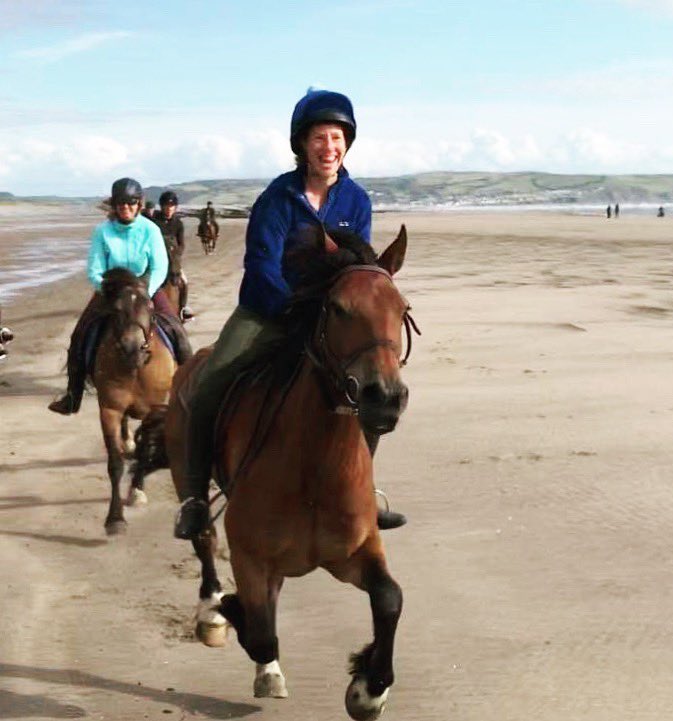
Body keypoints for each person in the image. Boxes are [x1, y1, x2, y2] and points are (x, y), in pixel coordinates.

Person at [174, 88, 407, 539]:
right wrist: (289, 309)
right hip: (267, 310)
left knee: (370, 385)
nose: (329, 147)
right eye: (319, 137)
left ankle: (364, 490)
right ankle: (195, 498)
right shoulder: (276, 198)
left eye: (337, 137)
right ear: (301, 144)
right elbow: (261, 265)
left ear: (347, 143)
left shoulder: (356, 200)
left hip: (329, 315)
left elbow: (356, 265)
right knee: (208, 383)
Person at [48, 177, 189, 415]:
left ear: (139, 204)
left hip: (146, 289)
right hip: (111, 291)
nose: (126, 207)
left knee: (178, 331)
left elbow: (160, 266)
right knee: (80, 335)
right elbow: (94, 268)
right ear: (114, 205)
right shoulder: (102, 232)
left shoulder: (150, 230)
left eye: (131, 202)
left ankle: (189, 390)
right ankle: (73, 395)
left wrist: (146, 291)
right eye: (121, 203)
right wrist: (108, 291)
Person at [152, 190, 195, 322]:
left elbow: (181, 244)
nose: (169, 209)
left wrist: (176, 255)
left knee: (184, 282)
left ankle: (183, 308)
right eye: (166, 206)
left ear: (175, 207)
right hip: (156, 261)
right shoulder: (154, 222)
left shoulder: (178, 223)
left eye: (171, 206)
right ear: (162, 206)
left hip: (173, 260)